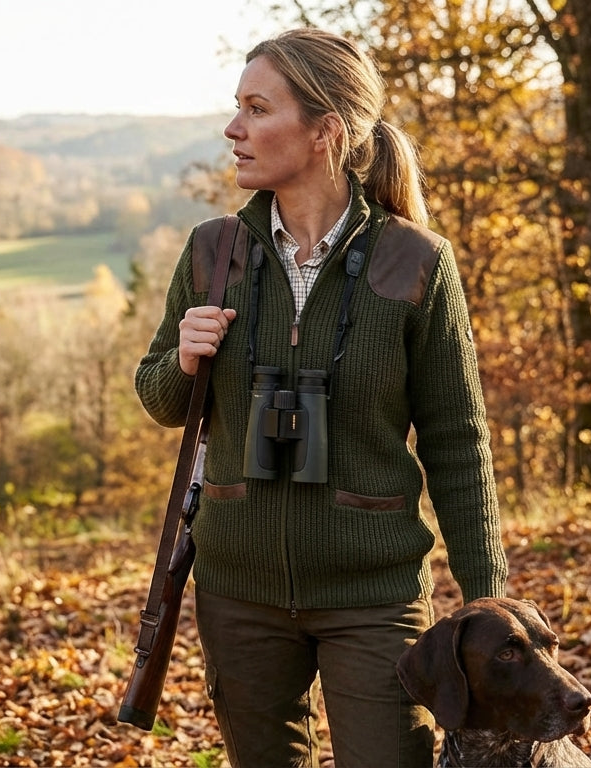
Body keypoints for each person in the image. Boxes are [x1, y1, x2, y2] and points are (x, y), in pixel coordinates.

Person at [134, 27, 508, 768]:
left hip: (375, 598)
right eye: (236, 107)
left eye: (256, 108)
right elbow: (161, 398)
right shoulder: (213, 253)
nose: (233, 129)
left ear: (324, 132)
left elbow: (456, 441)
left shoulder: (417, 261)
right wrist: (182, 356)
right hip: (238, 597)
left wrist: (488, 600)